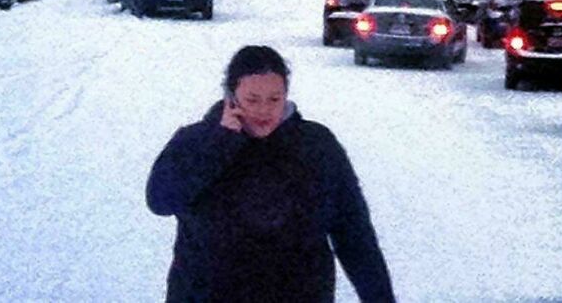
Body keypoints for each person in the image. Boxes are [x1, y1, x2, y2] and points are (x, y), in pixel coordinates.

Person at [146, 45, 397, 303]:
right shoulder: (195, 141)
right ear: (231, 97)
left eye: (274, 99)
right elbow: (160, 200)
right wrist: (220, 142)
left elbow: (354, 233)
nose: (264, 110)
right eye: (252, 99)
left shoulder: (316, 145)